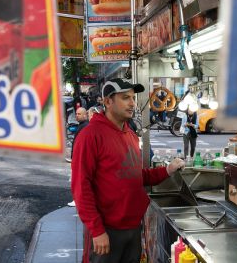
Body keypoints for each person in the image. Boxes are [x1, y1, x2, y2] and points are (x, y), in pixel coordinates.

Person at [71, 78, 185, 263]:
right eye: (126, 98)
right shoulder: (90, 136)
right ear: (108, 102)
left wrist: (168, 170)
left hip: (132, 228)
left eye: (133, 97)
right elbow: (80, 187)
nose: (132, 103)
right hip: (107, 230)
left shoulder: (130, 134)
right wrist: (97, 230)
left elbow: (136, 176)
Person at [67, 107, 89, 207]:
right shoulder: (82, 125)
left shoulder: (85, 126)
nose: (77, 115)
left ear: (85, 115)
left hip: (80, 160)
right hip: (77, 158)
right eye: (76, 114)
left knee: (78, 180)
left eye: (79, 114)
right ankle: (77, 199)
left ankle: (77, 200)